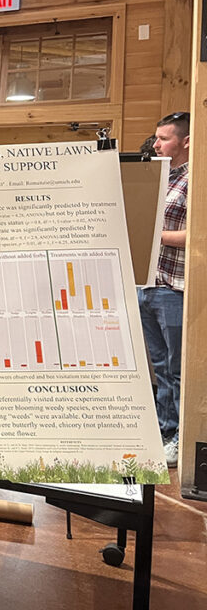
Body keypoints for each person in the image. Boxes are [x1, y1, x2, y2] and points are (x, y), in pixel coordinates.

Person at [139, 111, 190, 468]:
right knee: (158, 366)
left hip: (175, 287)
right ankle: (161, 429)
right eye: (156, 137)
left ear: (186, 141)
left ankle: (175, 436)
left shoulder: (196, 181)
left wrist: (150, 233)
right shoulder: (159, 177)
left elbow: (197, 235)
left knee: (175, 368)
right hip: (147, 283)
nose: (156, 144)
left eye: (164, 139)